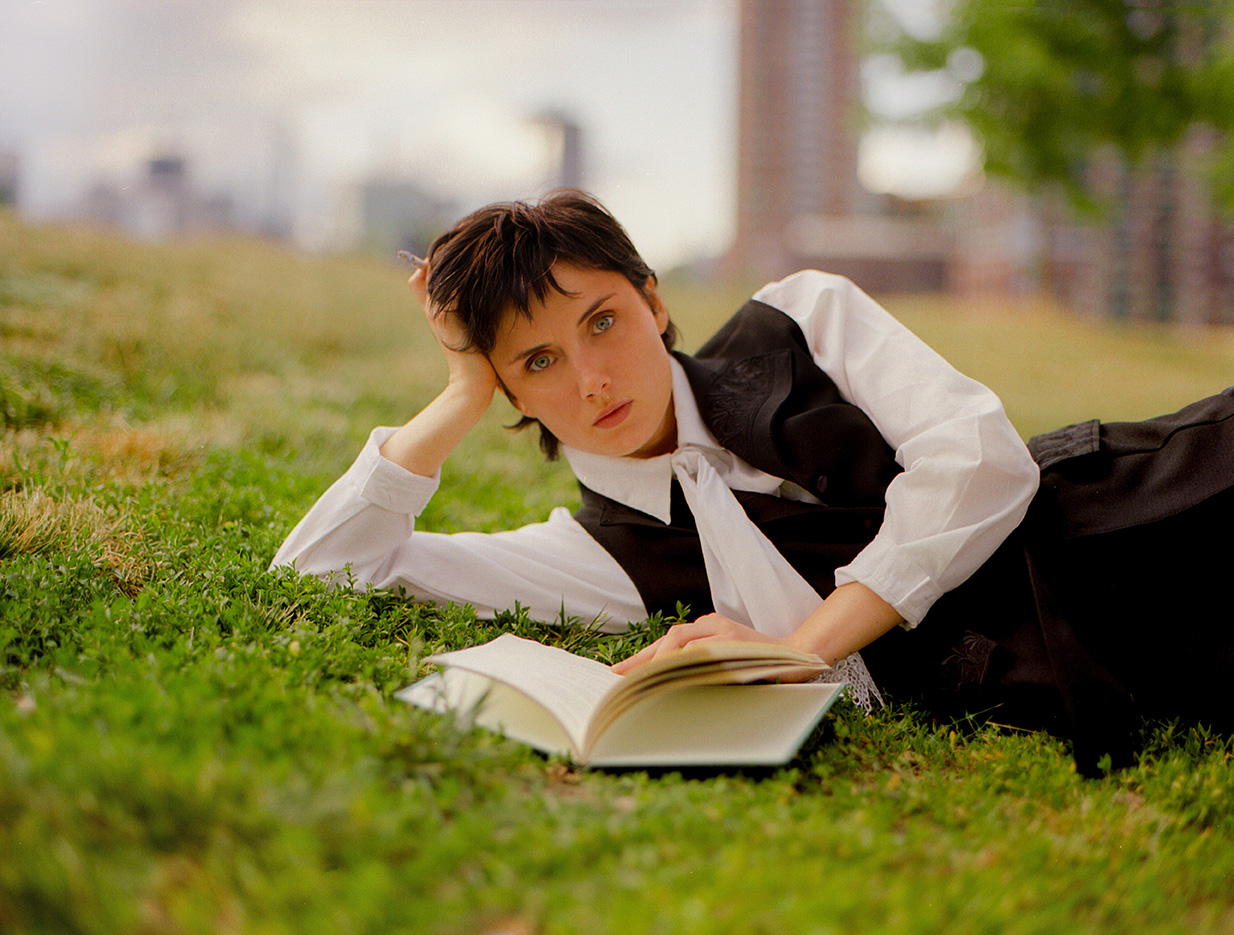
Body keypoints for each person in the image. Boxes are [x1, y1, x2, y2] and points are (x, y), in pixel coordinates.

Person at [272, 190, 1234, 773]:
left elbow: (979, 460)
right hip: (1111, 662)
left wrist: (803, 647)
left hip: (1132, 513)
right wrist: (453, 397)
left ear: (651, 297)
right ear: (507, 387)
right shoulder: (600, 556)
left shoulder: (803, 315)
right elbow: (320, 572)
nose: (590, 379)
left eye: (601, 321)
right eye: (537, 363)